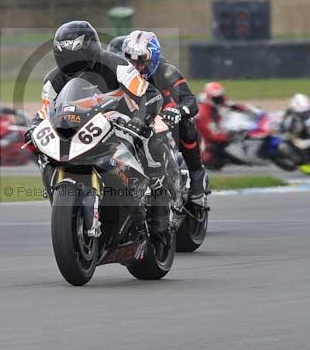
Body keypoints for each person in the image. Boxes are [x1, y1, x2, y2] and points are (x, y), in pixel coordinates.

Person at [29, 20, 176, 231]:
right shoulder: (53, 79)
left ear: (91, 50)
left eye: (77, 59)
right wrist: (35, 126)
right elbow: (46, 110)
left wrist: (139, 120)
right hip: (82, 126)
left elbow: (148, 94)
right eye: (65, 59)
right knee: (44, 153)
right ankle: (65, 202)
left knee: (151, 136)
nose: (72, 66)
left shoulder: (117, 65)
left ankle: (160, 204)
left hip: (123, 120)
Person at [121, 30, 207, 203]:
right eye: (131, 61)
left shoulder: (166, 71)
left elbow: (190, 100)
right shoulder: (120, 72)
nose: (136, 67)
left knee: (187, 124)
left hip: (163, 116)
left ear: (153, 59)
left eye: (142, 61)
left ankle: (196, 176)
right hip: (131, 118)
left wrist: (178, 111)